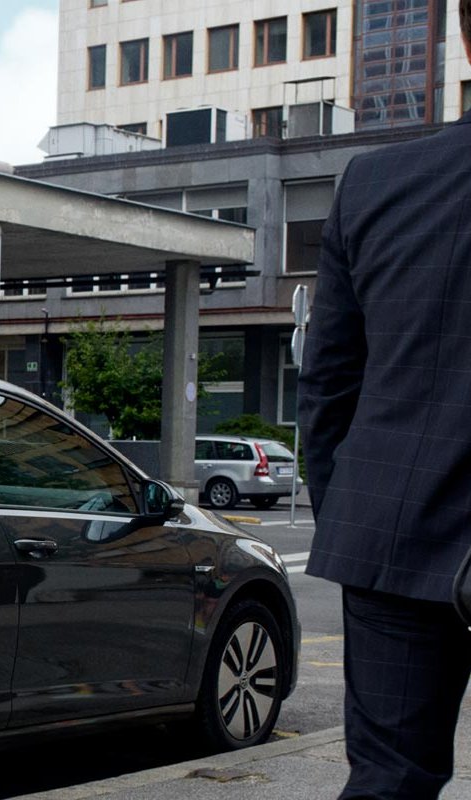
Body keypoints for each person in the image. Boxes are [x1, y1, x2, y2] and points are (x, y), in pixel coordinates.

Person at [297, 5, 471, 797]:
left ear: (465, 38)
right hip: (393, 539)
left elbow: (329, 381)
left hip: (394, 539)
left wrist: (355, 511)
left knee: (390, 780)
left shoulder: (375, 182)